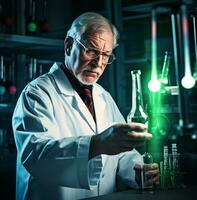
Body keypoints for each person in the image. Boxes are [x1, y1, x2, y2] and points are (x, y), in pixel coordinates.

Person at [12, 12, 160, 200]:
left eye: (106, 55)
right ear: (68, 45)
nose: (98, 63)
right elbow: (36, 156)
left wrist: (138, 171)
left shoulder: (103, 96)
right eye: (91, 50)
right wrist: (98, 144)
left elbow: (122, 153)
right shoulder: (37, 93)